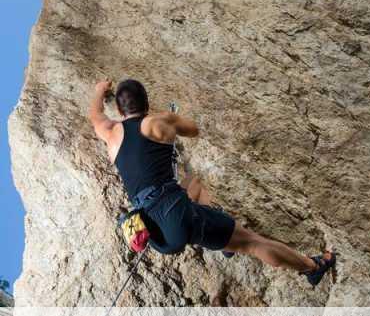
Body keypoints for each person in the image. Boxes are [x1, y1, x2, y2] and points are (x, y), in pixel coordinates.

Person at [88, 78, 336, 287]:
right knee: (251, 242)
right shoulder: (158, 122)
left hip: (153, 233)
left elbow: (95, 115)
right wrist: (171, 119)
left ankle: (219, 234)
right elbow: (193, 130)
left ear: (120, 112)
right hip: (176, 216)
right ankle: (312, 267)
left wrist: (100, 90)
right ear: (147, 103)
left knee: (192, 184)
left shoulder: (110, 134)